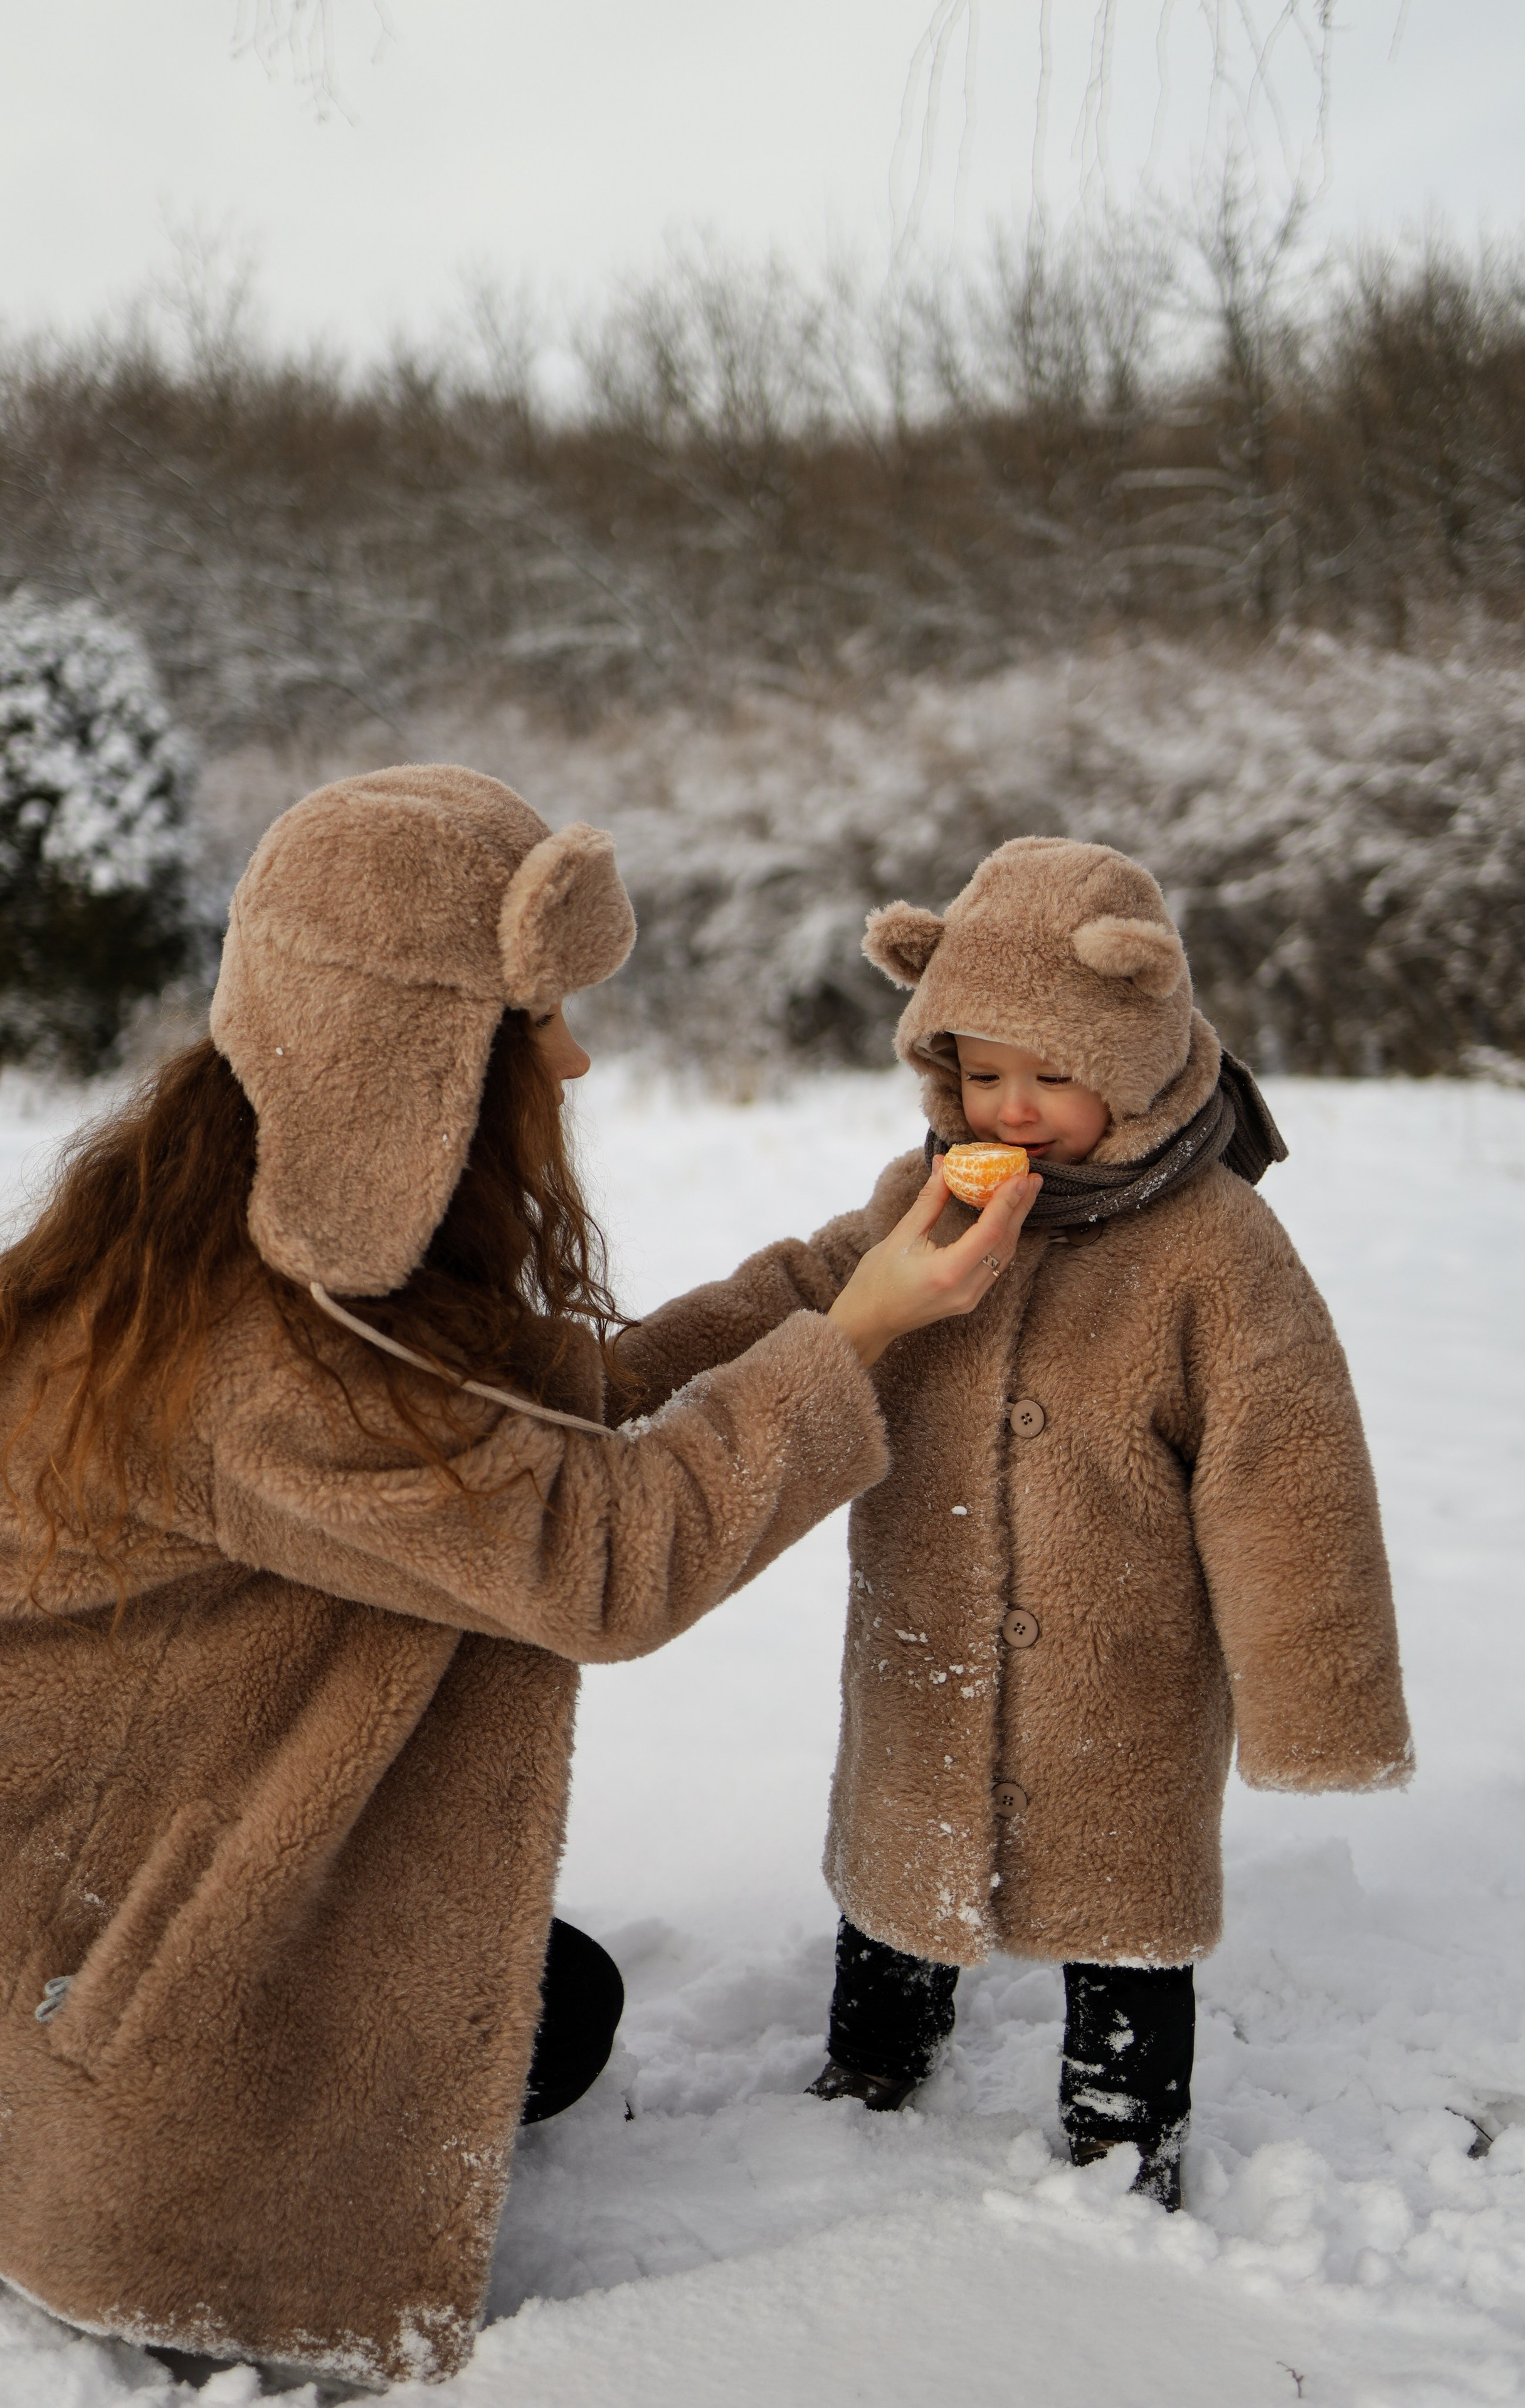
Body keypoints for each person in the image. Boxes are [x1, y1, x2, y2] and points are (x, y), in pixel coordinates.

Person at [0, 766, 1038, 2387]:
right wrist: (865, 1335)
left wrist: (867, 1252)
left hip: (132, 1870)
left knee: (555, 2005)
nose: (574, 1054)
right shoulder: (260, 1355)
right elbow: (599, 1553)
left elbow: (562, 1414)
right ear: (410, 1056)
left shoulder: (240, 1236)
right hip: (118, 1974)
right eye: (530, 1020)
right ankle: (129, 2192)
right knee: (521, 2023)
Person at [616, 835, 1413, 2210]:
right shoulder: (918, 1193)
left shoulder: (1212, 1248)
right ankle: (871, 2063)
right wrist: (621, 1373)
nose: (1016, 1108)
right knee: (896, 1868)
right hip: (921, 1633)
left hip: (1126, 1671)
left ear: (1142, 1055)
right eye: (982, 1073)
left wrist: (1316, 1704)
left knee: (1124, 1907)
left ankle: (1120, 2130)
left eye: (1056, 1076)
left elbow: (1287, 1472)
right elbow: (798, 1290)